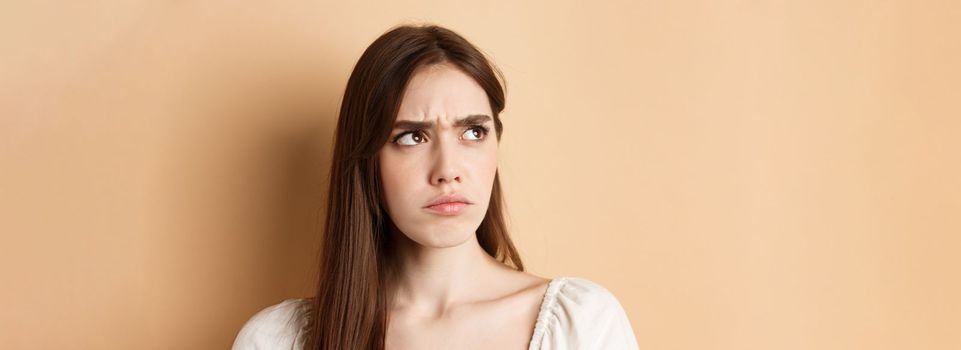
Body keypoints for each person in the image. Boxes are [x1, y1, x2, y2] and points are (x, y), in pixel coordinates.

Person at [232, 23, 639, 350]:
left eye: (473, 132)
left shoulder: (582, 325)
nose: (448, 170)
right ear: (366, 162)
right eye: (411, 137)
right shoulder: (277, 340)